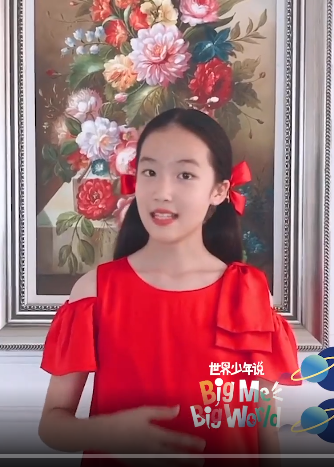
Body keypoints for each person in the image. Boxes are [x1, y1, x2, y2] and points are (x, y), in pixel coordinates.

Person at [38, 108, 301, 467]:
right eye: (150, 172)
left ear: (219, 190)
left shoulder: (250, 293)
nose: (162, 191)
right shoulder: (95, 292)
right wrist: (110, 432)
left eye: (185, 175)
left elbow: (264, 429)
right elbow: (52, 424)